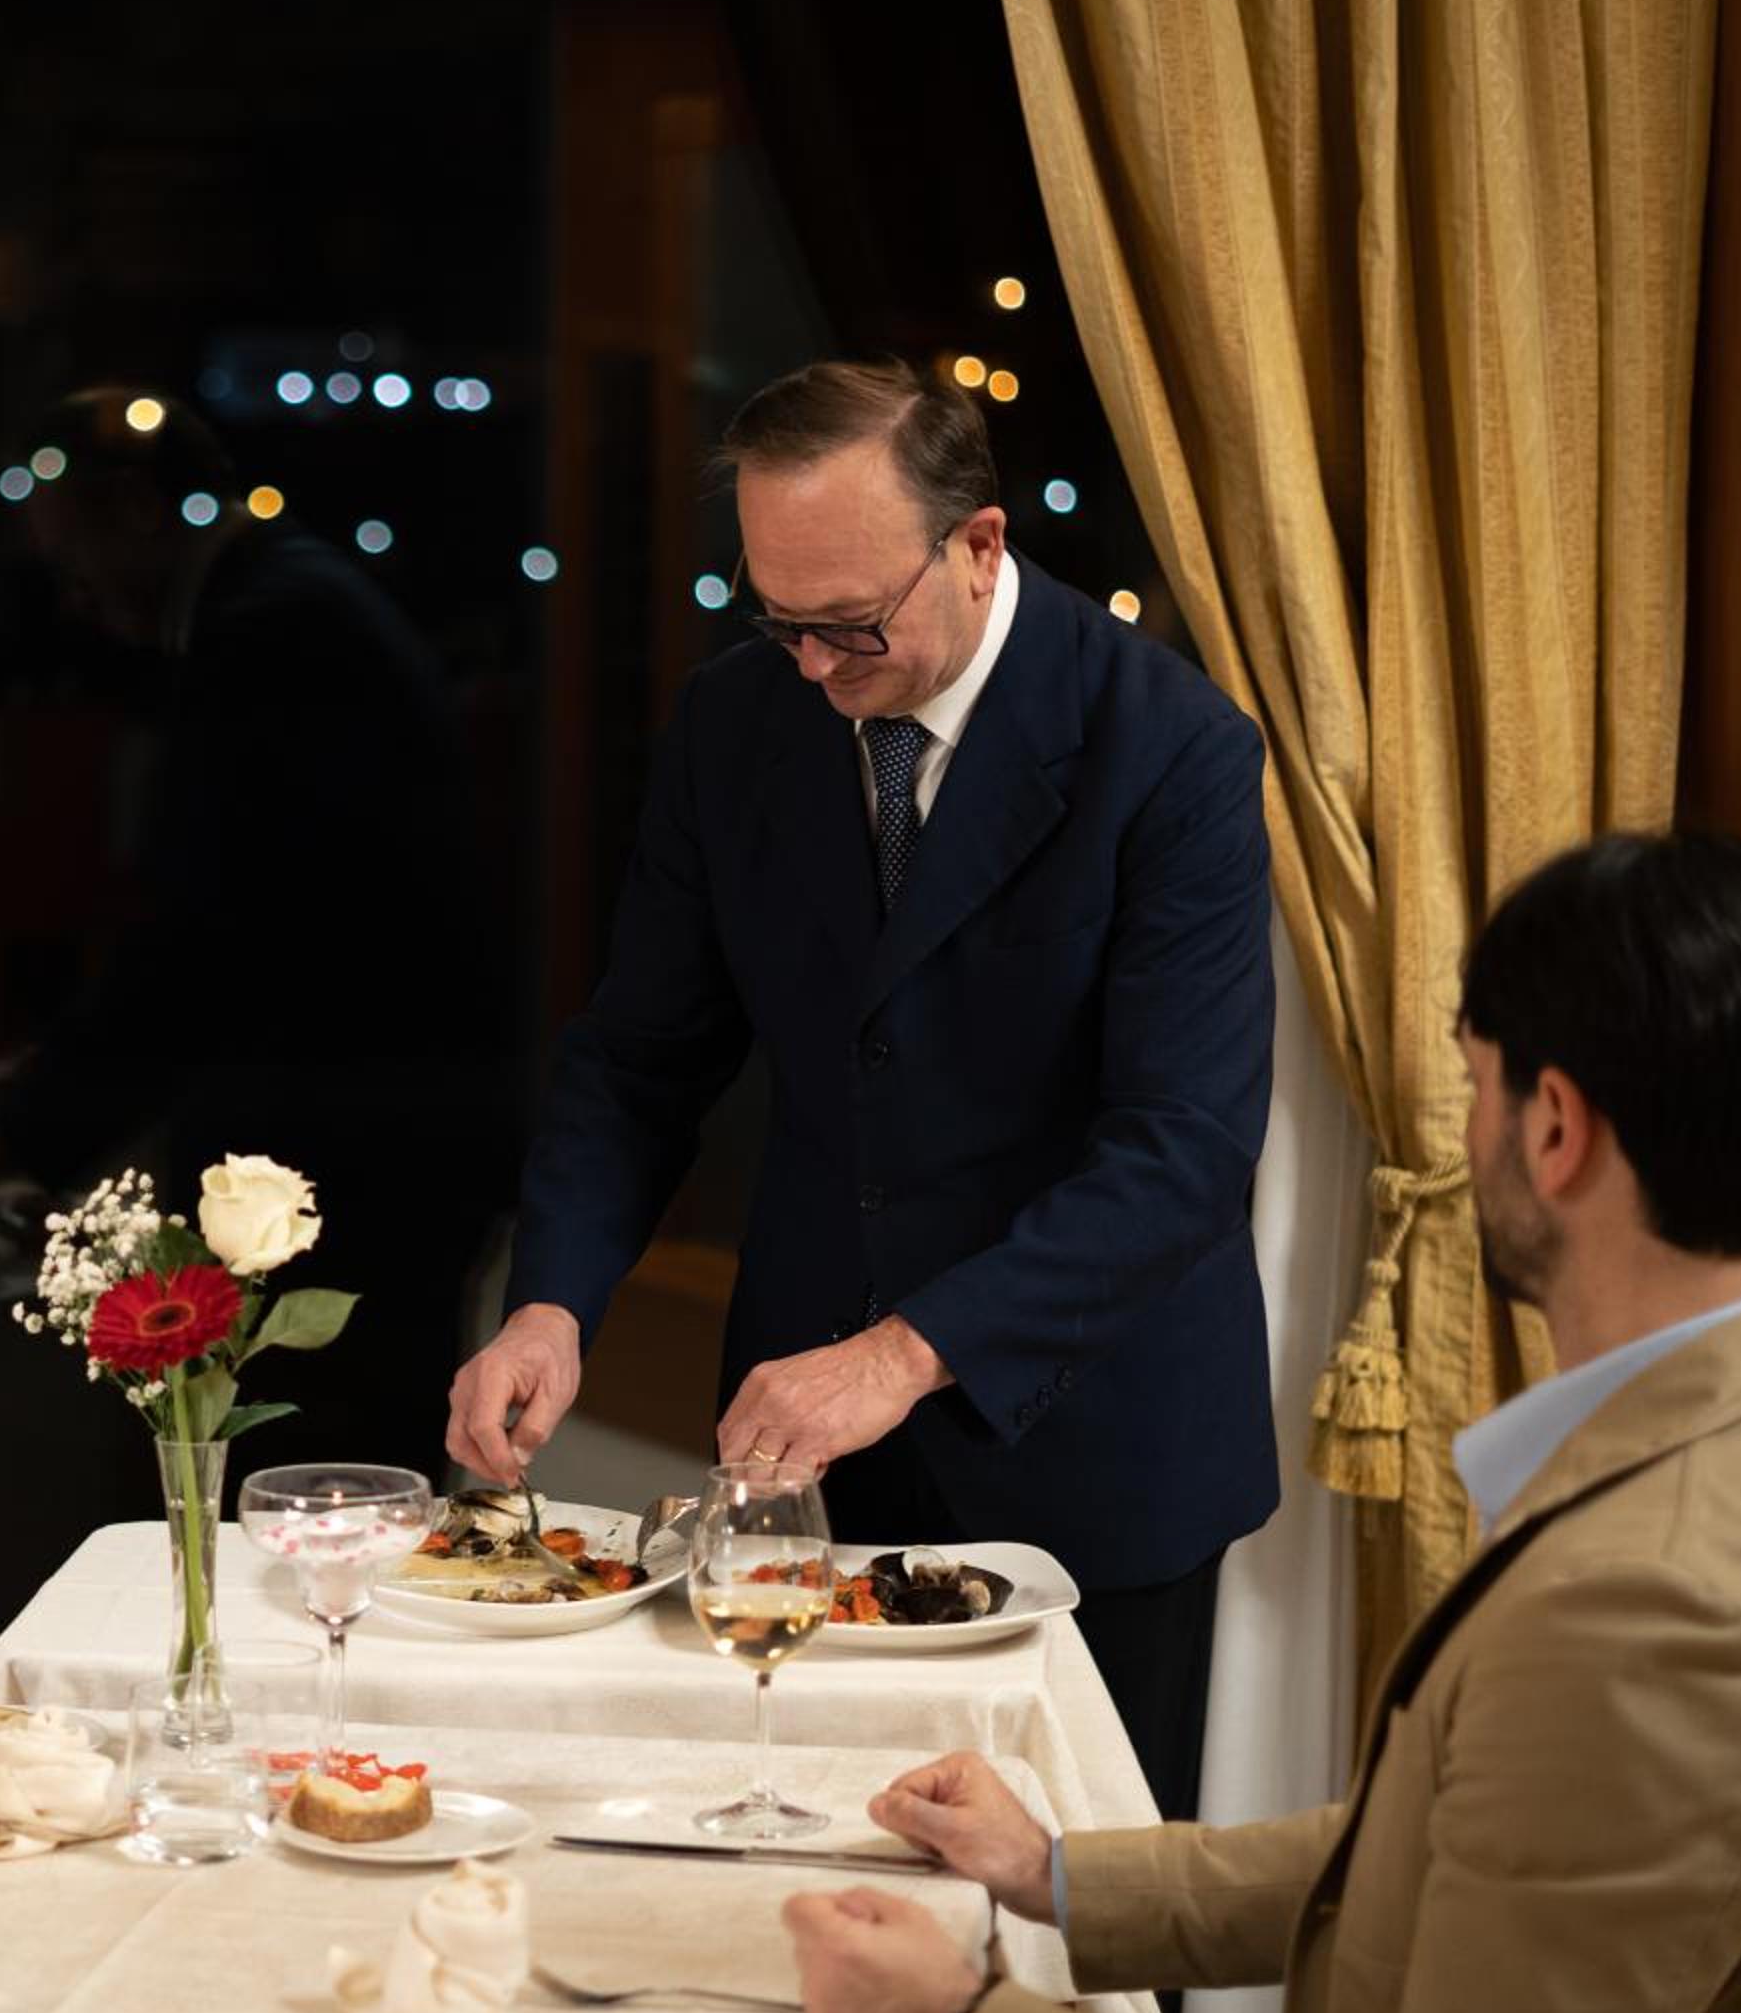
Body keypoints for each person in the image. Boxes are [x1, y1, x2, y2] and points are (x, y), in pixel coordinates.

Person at [786, 831, 1741, 2013]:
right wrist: (1059, 1874)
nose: (1467, 1125)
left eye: (1474, 1082)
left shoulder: (1650, 1605)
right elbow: (1456, 1854)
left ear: (1555, 1128)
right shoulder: (1720, 1440)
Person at [448, 358, 1275, 1820]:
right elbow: (640, 1057)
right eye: (779, 622)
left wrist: (902, 1356)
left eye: (849, 624)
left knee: (1079, 1902)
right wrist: (550, 1302)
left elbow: (1184, 1153)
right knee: (813, 1865)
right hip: (807, 1469)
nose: (814, 669)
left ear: (978, 545)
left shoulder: (1170, 748)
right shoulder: (735, 725)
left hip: (1092, 1447)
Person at [0, 386, 514, 1468]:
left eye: (73, 566)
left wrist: (20, 1131)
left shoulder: (272, 629)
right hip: (391, 1113)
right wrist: (47, 1072)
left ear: (139, 510)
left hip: (354, 1139)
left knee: (313, 1470)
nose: (77, 603)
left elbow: (209, 938)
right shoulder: (292, 600)